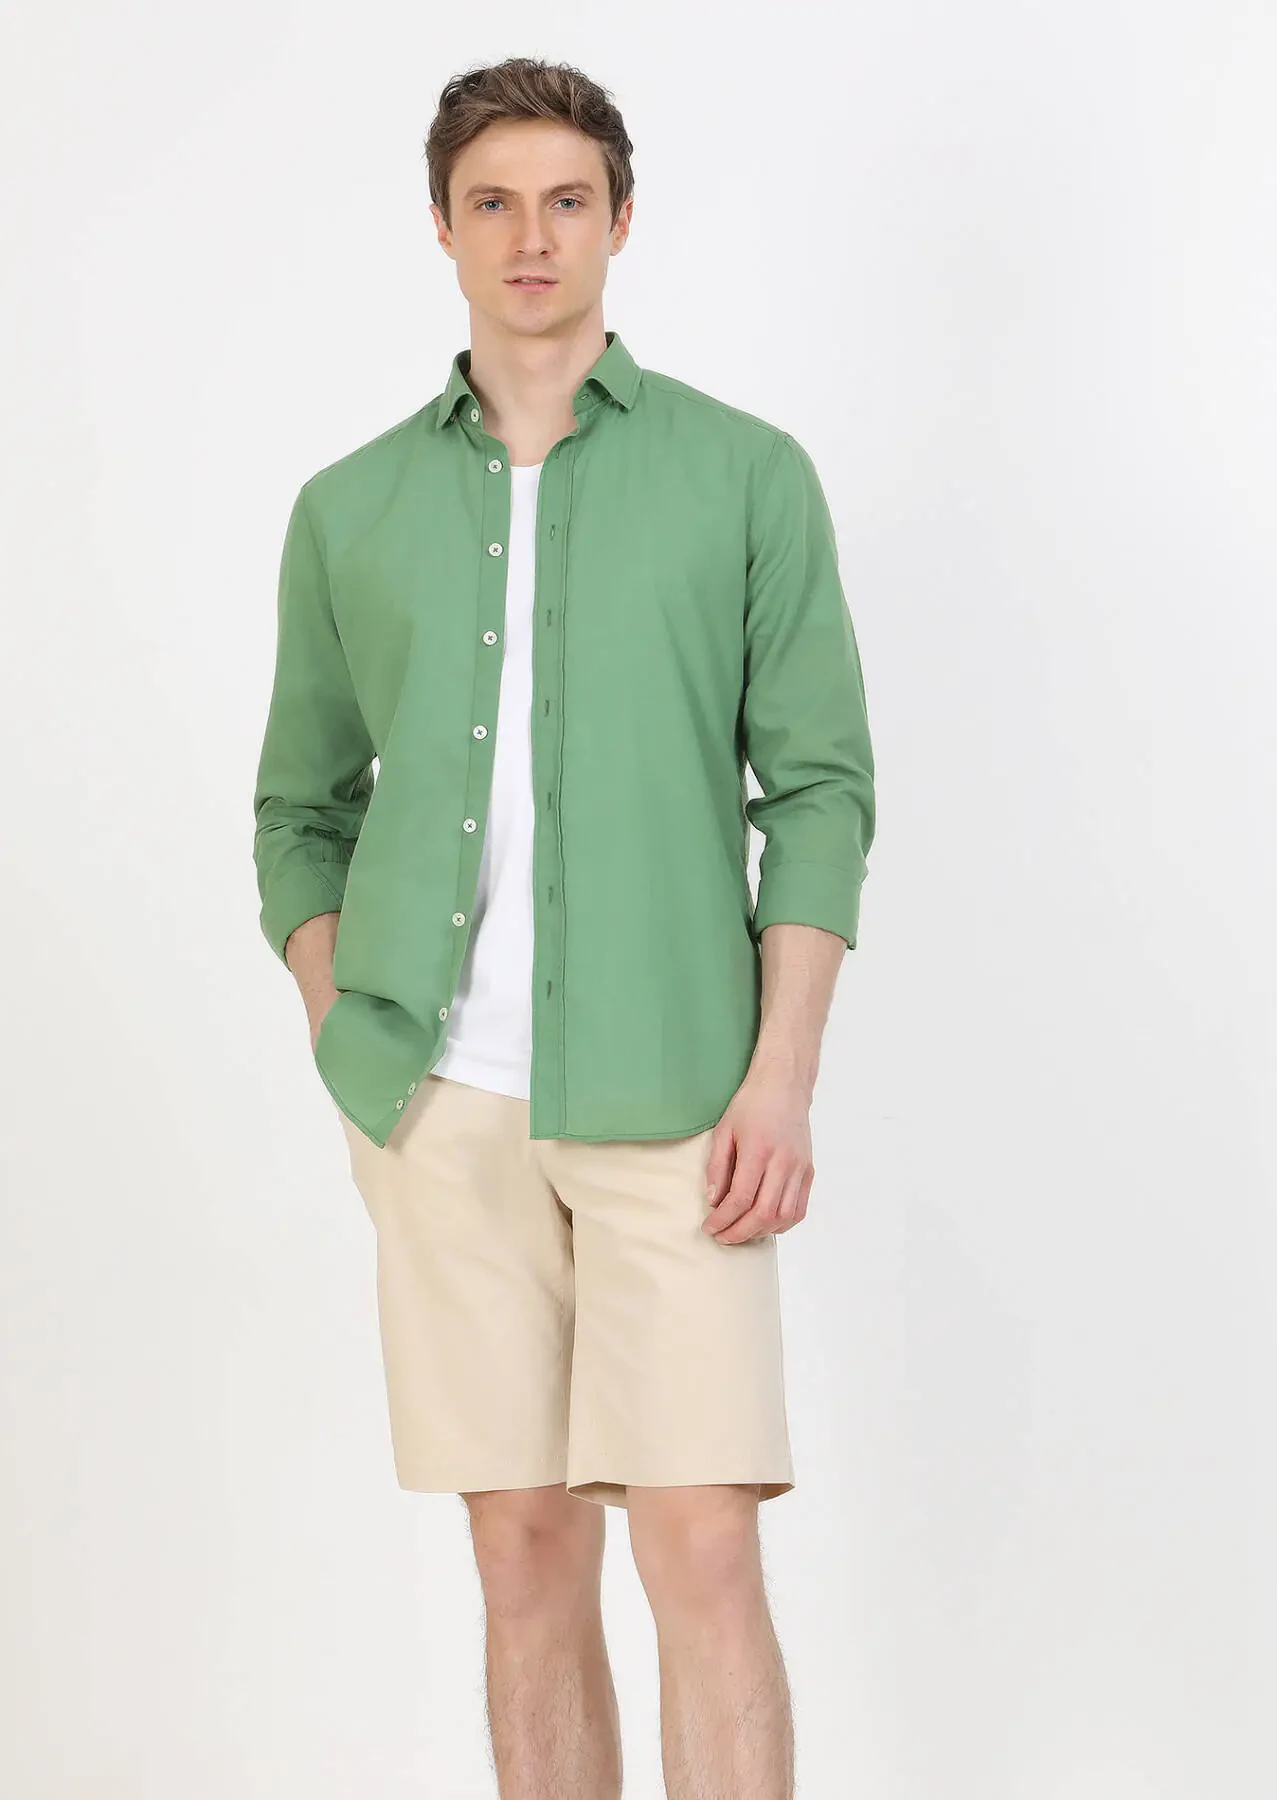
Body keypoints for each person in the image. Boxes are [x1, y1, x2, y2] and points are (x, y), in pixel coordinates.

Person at [251, 53, 875, 1800]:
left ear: (621, 219)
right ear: (443, 228)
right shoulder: (350, 508)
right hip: (441, 1104)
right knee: (521, 1554)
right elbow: (298, 808)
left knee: (702, 1546)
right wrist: (342, 1023)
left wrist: (781, 1079)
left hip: (680, 1098)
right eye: (494, 203)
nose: (533, 237)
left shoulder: (745, 477)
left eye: (567, 201)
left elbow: (821, 789)